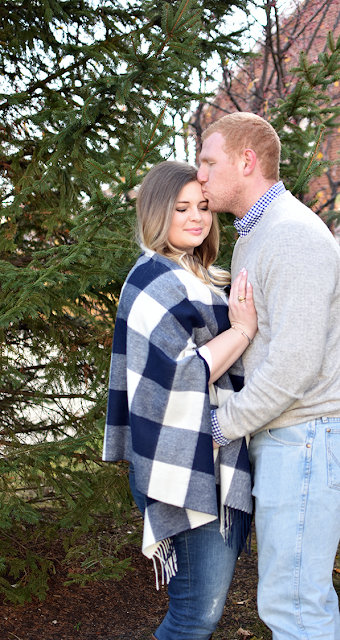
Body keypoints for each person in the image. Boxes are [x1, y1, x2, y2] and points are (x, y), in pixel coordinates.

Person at [197, 112, 340, 640]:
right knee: (294, 601)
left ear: (246, 162)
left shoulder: (290, 235)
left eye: (209, 161)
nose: (199, 174)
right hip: (296, 440)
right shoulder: (258, 234)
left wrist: (220, 424)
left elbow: (293, 368)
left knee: (294, 609)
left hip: (309, 439)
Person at [103, 161, 257, 640]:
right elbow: (182, 373)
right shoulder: (154, 278)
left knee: (199, 612)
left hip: (208, 457)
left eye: (204, 207)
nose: (197, 218)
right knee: (196, 615)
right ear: (156, 212)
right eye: (182, 208)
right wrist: (244, 329)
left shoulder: (199, 274)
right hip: (184, 464)